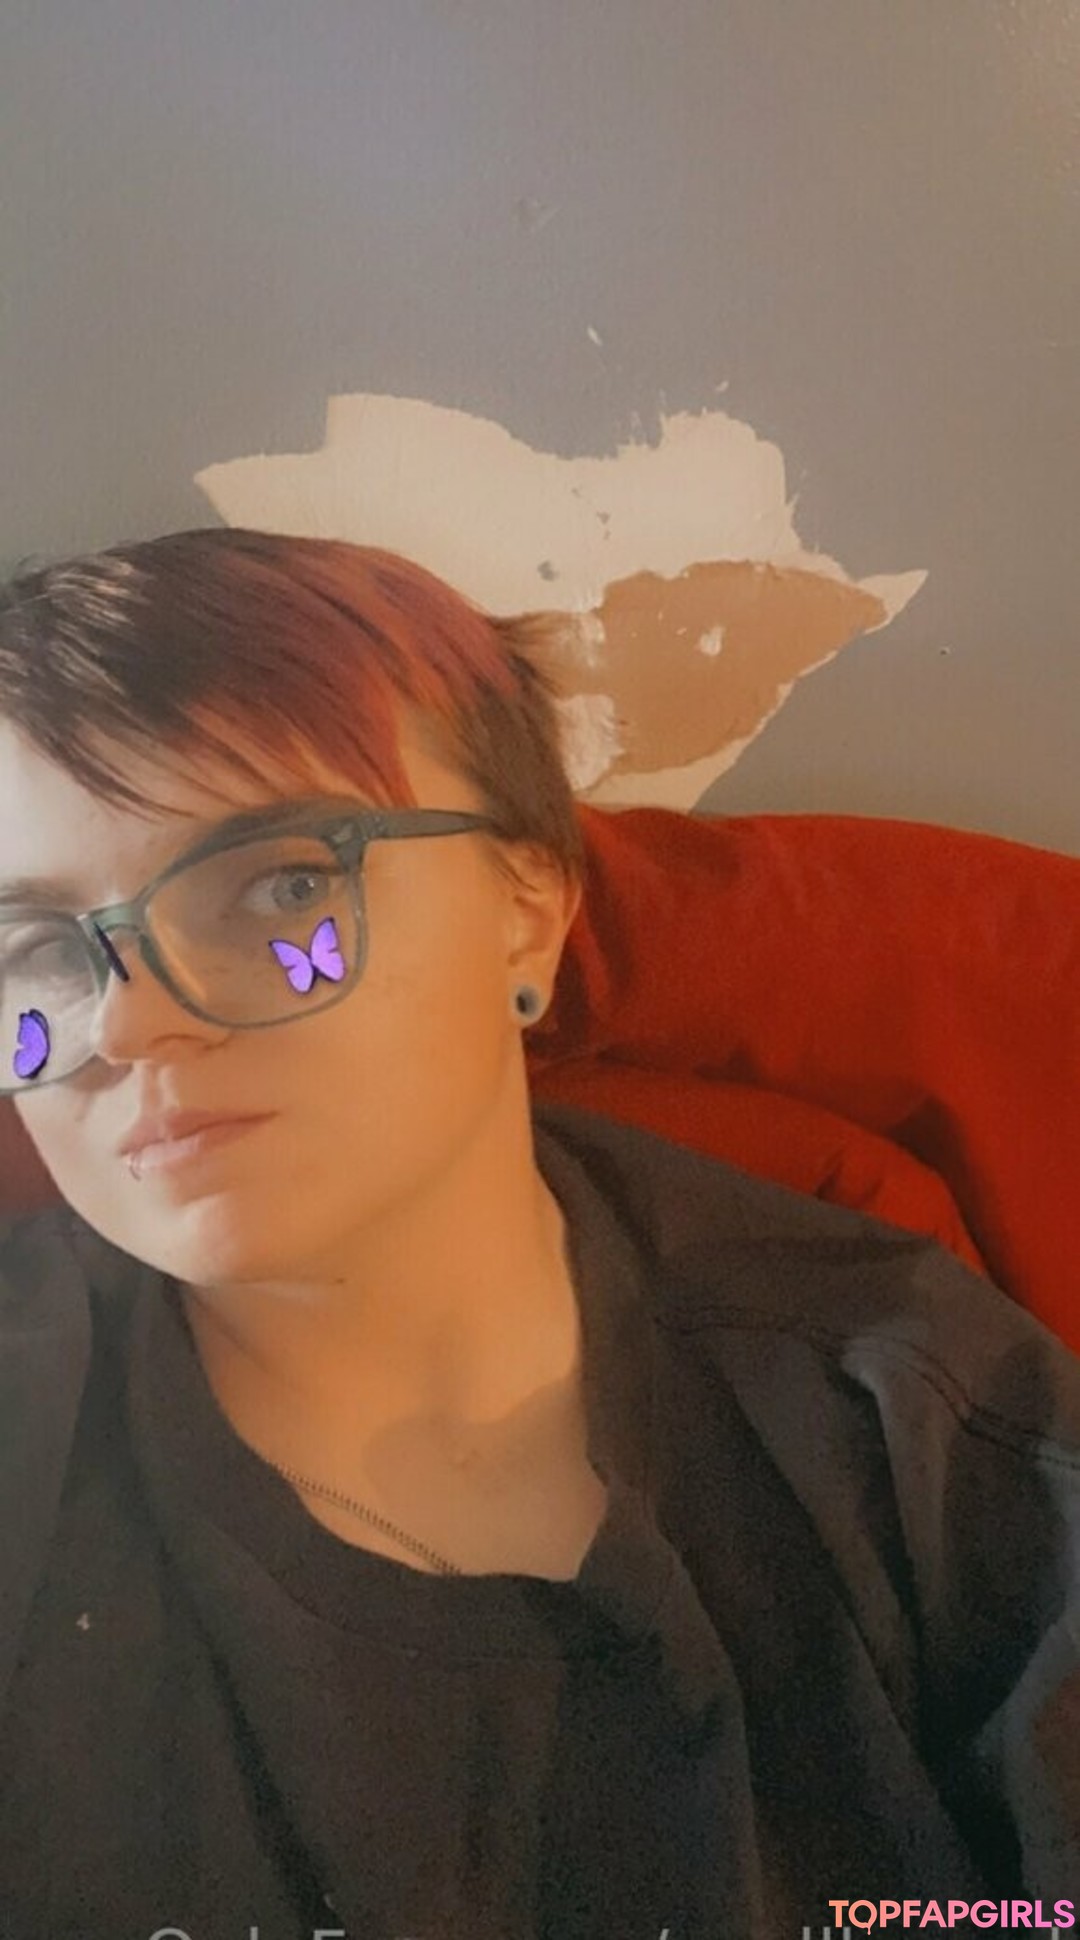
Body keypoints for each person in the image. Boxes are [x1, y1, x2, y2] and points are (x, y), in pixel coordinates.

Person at [0, 527, 1076, 1940]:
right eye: (35, 953)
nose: (128, 1020)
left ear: (527, 911)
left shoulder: (914, 1427)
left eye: (280, 886)